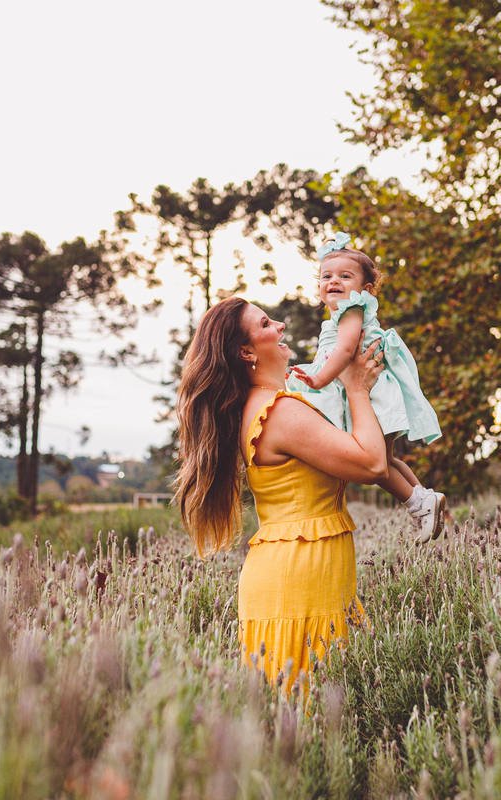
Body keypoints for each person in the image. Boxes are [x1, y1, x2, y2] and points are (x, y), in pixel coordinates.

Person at [174, 296, 387, 692]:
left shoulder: (265, 407)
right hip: (299, 582)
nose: (281, 327)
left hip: (298, 576)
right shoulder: (279, 412)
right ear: (246, 351)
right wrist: (357, 389)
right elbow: (372, 464)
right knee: (310, 716)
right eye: (267, 324)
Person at [286, 232, 447, 542]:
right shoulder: (342, 314)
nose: (334, 281)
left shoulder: (352, 310)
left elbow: (345, 353)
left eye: (345, 276)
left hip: (371, 395)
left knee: (377, 466)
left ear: (365, 289)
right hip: (375, 393)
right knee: (386, 459)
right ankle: (424, 499)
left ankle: (418, 504)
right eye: (327, 276)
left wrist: (319, 380)